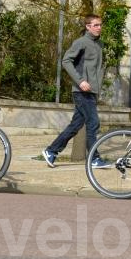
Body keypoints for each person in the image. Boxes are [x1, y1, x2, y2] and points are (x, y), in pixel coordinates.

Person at [42, 14, 108, 168]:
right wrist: (80, 81)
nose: (99, 27)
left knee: (75, 125)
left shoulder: (99, 45)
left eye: (100, 25)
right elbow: (66, 60)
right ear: (88, 26)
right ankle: (94, 158)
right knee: (93, 123)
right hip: (82, 91)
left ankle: (51, 151)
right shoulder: (81, 42)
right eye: (96, 25)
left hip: (91, 92)